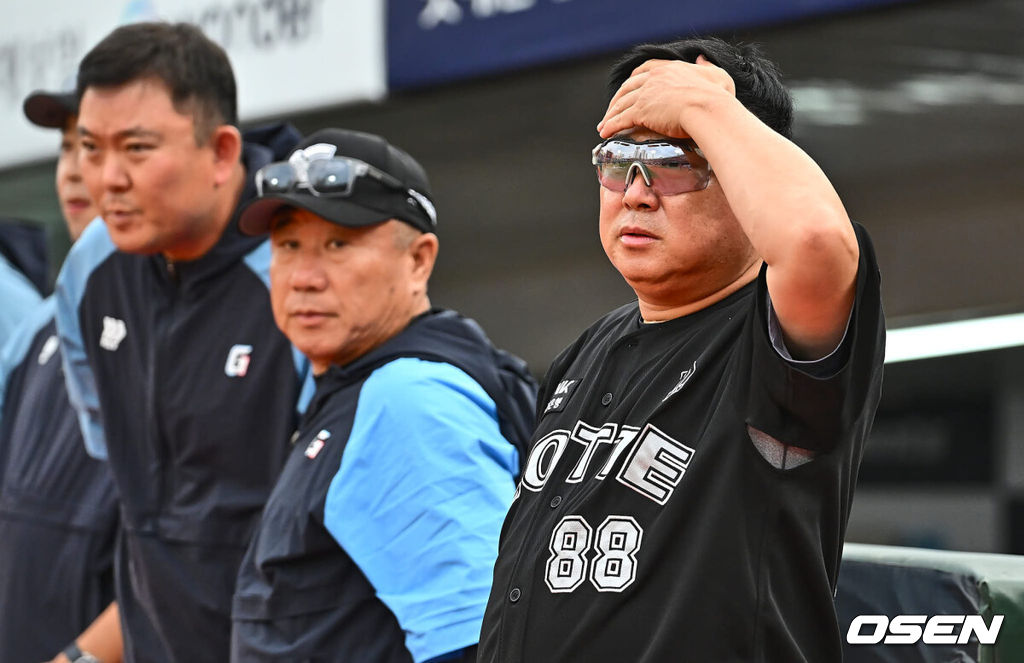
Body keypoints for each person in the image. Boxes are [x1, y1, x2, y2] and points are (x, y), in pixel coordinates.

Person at [478, 36, 885, 663]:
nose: (636, 192)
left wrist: (708, 106)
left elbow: (814, 240)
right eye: (619, 160)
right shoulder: (590, 349)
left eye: (674, 160)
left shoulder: (768, 333)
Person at [229, 128, 538, 662]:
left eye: (337, 245)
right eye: (287, 245)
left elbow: (482, 643)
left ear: (418, 260)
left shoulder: (407, 399)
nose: (304, 277)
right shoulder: (356, 382)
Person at [54, 23, 311, 663]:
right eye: (89, 147)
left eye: (137, 148)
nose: (104, 178)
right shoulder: (90, 267)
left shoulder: (304, 273)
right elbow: (140, 502)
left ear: (223, 151)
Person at [0, 88, 122, 663]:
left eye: (96, 149)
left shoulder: (201, 320)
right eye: (68, 148)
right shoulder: (41, 326)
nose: (75, 173)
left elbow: (201, 552)